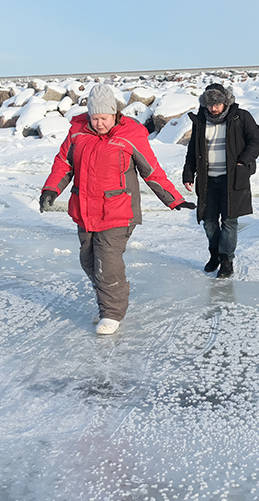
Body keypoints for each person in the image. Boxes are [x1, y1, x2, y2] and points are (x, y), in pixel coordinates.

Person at [40, 83, 194, 335]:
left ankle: (111, 313)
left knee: (108, 262)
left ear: (114, 114)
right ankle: (108, 297)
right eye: (95, 117)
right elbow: (63, 165)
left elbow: (151, 170)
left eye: (104, 118)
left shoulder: (130, 135)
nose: (99, 123)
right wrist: (51, 190)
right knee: (88, 260)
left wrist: (173, 199)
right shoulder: (77, 134)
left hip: (118, 211)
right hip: (84, 209)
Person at [182, 83, 259, 278]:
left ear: (225, 101)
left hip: (233, 179)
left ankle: (226, 259)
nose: (214, 108)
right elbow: (193, 150)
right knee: (209, 221)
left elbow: (256, 140)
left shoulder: (240, 117)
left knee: (229, 221)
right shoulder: (201, 121)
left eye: (217, 103)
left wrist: (243, 162)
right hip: (207, 180)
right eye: (210, 105)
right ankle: (215, 255)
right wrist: (188, 173)